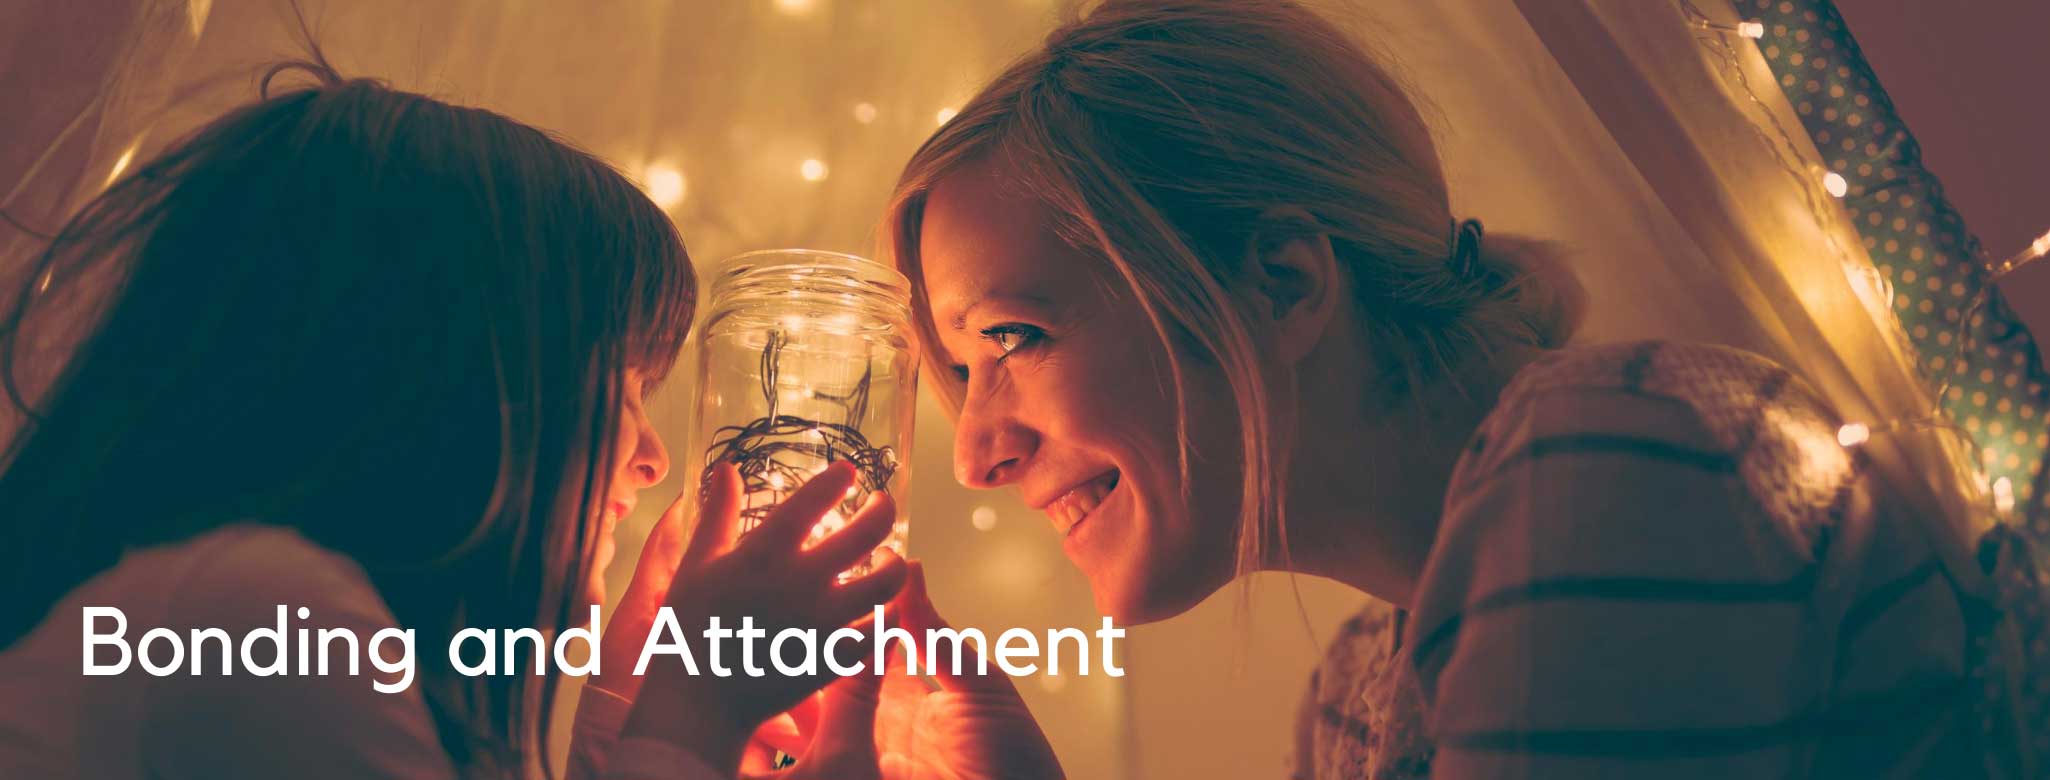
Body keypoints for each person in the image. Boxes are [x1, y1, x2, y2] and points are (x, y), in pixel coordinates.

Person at [884, 1, 2046, 777]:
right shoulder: (1356, 693)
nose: (974, 452)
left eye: (1013, 335)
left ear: (1282, 282)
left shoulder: (1621, 453)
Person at [0, 56, 908, 779]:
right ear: (456, 382)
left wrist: (614, 739)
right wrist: (690, 714)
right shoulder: (259, 618)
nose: (653, 458)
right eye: (625, 390)